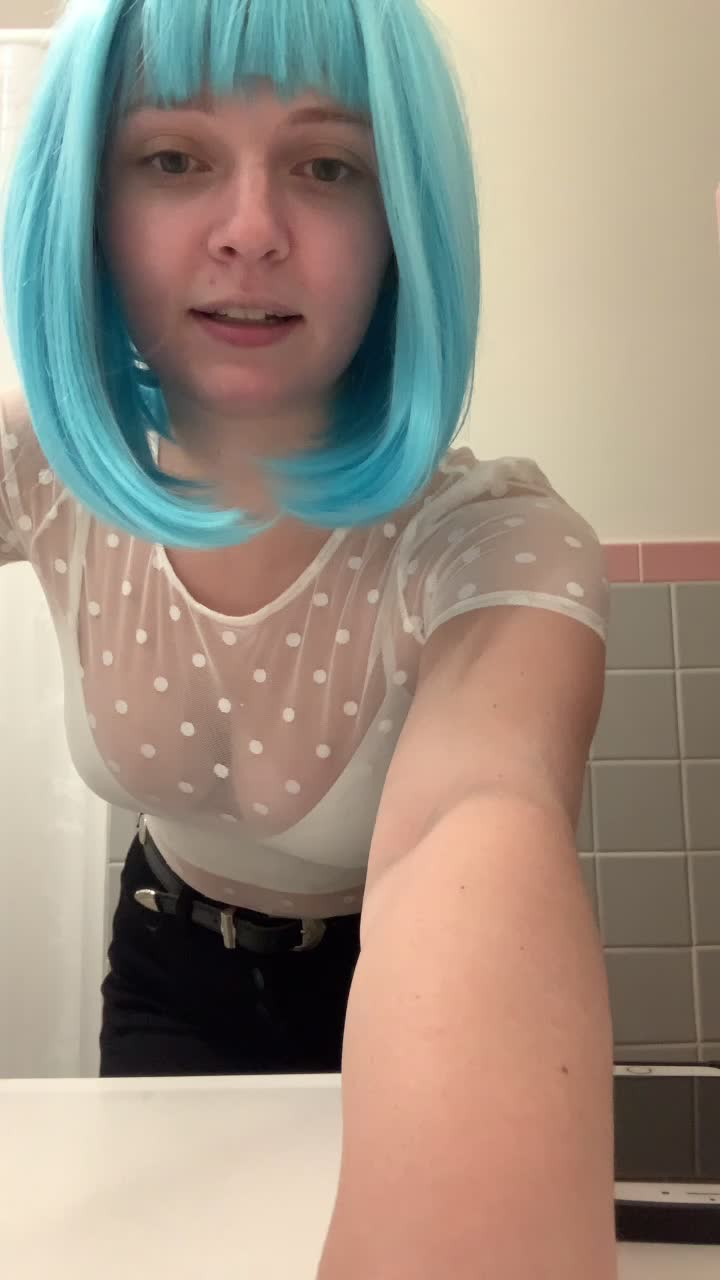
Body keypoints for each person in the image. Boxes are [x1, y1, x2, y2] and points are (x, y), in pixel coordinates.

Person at [0, 1, 617, 1276]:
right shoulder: (39, 472)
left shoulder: (494, 548)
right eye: (174, 157)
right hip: (165, 969)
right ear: (89, 210)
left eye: (328, 166)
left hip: (383, 993)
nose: (249, 229)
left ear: (402, 226)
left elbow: (478, 814)